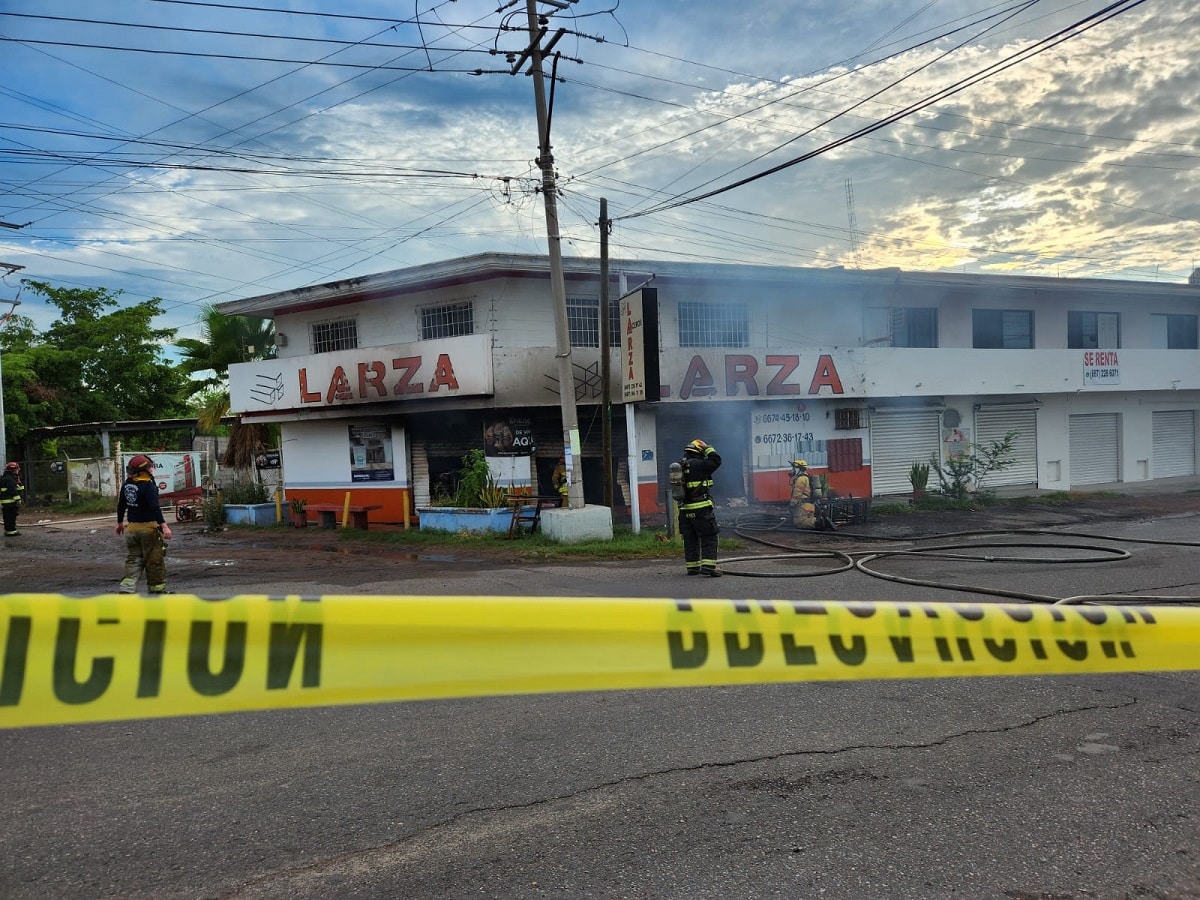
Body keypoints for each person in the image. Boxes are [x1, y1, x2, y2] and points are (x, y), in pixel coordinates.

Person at [115, 454, 173, 594]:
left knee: (134, 559)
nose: (152, 469)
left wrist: (119, 523)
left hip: (132, 529)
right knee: (154, 561)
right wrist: (164, 526)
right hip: (148, 529)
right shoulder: (148, 486)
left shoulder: (127, 484)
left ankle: (126, 590)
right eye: (150, 467)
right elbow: (154, 507)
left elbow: (121, 505)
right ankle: (157, 592)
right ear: (144, 470)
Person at [676, 438, 722, 576]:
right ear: (699, 452)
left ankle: (693, 567)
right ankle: (708, 567)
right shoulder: (700, 465)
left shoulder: (679, 466)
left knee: (690, 539)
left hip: (684, 510)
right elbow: (716, 460)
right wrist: (708, 448)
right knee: (709, 536)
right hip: (701, 509)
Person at [789, 459, 816, 529]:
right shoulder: (806, 477)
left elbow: (797, 492)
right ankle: (817, 522)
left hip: (802, 506)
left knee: (799, 522)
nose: (793, 470)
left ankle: (818, 522)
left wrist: (792, 503)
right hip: (809, 505)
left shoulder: (801, 479)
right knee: (808, 520)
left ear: (799, 469)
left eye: (794, 468)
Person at [1, 461, 24, 537]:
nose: (18, 471)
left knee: (7, 518)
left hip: (5, 503)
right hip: (10, 503)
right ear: (13, 470)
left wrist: (19, 482)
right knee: (11, 517)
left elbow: (20, 489)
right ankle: (12, 531)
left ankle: (8, 531)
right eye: (17, 469)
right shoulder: (10, 479)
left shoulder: (5, 478)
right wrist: (18, 500)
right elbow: (12, 490)